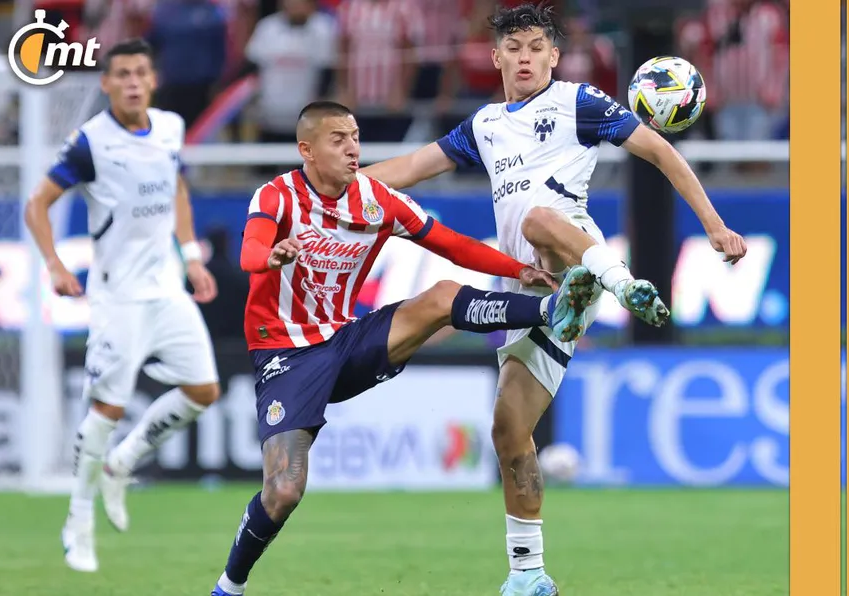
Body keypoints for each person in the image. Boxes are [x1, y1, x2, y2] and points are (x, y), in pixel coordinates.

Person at [360, 5, 748, 595]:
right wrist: (335, 184)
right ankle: (528, 573)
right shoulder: (485, 126)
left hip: (576, 250)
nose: (523, 56)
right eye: (512, 47)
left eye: (535, 46)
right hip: (531, 290)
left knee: (541, 215)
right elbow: (413, 166)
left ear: (553, 56)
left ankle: (619, 284)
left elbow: (661, 152)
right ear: (496, 58)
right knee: (509, 430)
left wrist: (715, 226)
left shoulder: (578, 102)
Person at [209, 100, 600, 596]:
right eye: (338, 139)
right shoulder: (277, 196)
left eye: (355, 136)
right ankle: (229, 586)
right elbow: (248, 254)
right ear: (306, 150)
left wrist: (516, 270)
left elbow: (450, 243)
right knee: (284, 490)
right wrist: (271, 254)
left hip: (348, 340)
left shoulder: (376, 199)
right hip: (287, 356)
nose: (353, 148)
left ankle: (551, 312)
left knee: (440, 297)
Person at [23, 39, 223, 574]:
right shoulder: (90, 143)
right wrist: (55, 265)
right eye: (122, 75)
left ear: (152, 80)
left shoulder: (170, 128)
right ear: (107, 84)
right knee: (107, 409)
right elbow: (36, 203)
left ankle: (123, 462)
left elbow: (176, 188)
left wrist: (190, 256)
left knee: (204, 390)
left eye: (140, 72)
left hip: (167, 291)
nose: (133, 82)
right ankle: (78, 521)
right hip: (118, 299)